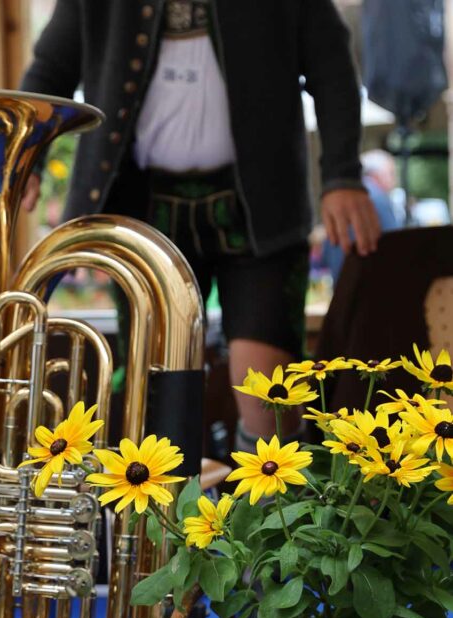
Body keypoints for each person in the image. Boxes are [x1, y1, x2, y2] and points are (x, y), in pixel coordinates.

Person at [21, 0, 381, 450]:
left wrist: (342, 175)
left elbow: (332, 66)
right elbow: (50, 71)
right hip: (145, 209)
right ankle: (169, 517)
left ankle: (270, 516)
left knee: (267, 392)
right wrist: (26, 156)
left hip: (259, 211)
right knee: (157, 387)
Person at [323, 149, 400, 285]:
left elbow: (327, 247)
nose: (394, 181)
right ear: (378, 174)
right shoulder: (375, 198)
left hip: (341, 281)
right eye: (391, 174)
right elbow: (396, 244)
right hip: (370, 284)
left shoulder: (338, 199)